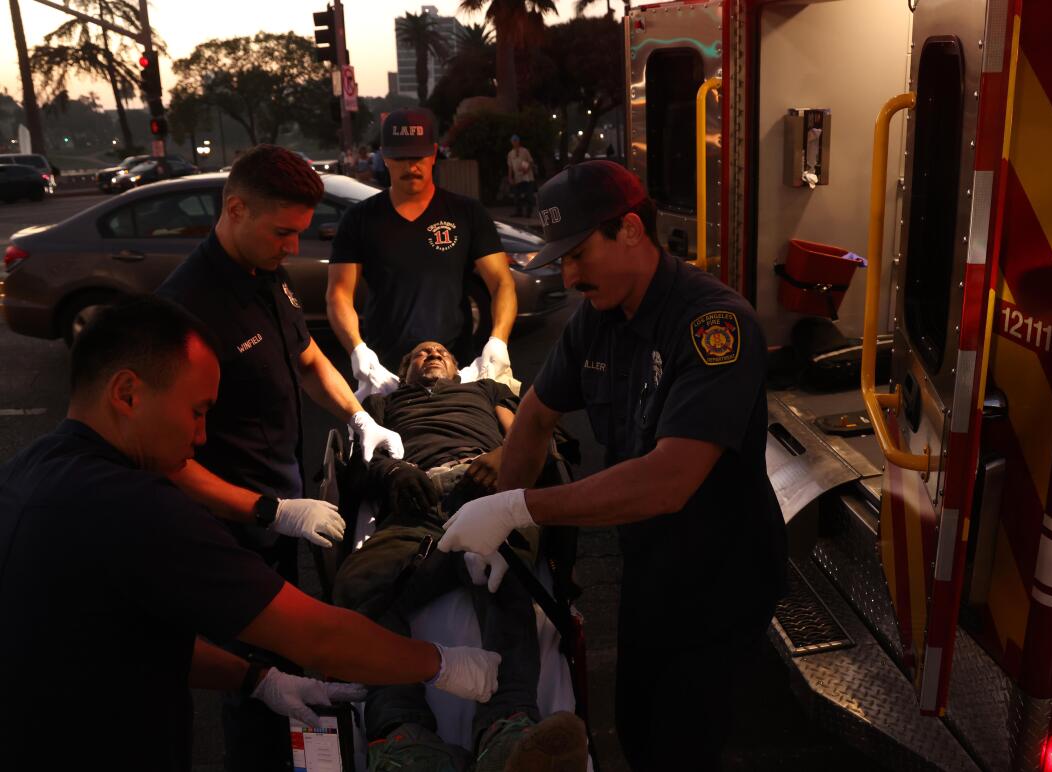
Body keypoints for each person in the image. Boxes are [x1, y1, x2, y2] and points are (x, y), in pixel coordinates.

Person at [0, 297, 501, 771]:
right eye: (197, 412)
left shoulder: (25, 472)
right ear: (127, 394)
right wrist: (444, 664)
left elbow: (123, 638)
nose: (200, 437)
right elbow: (318, 638)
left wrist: (255, 677)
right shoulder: (137, 508)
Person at [437, 161, 788, 771]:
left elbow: (669, 481)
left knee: (681, 744)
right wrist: (508, 537)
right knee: (633, 724)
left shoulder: (711, 324)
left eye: (577, 256)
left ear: (629, 230)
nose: (569, 276)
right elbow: (536, 417)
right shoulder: (595, 323)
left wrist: (516, 507)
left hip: (720, 574)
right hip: (650, 561)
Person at [156, 144, 405, 770]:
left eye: (301, 233)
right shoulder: (185, 309)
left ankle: (305, 760)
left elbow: (308, 357)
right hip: (228, 531)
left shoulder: (264, 272)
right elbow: (166, 460)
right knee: (258, 684)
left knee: (291, 666)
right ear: (235, 209)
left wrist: (357, 415)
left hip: (279, 516)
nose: (294, 247)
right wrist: (268, 510)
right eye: (284, 232)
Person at [331, 340, 587, 771]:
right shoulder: (383, 404)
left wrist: (504, 458)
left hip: (487, 490)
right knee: (361, 587)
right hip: (417, 499)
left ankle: (508, 729)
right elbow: (361, 460)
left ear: (456, 367)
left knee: (507, 578)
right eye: (418, 352)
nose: (430, 353)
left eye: (440, 352)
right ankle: (402, 735)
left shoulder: (485, 390)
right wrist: (395, 473)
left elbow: (532, 434)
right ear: (403, 368)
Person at [325, 107, 517, 400]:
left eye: (418, 157)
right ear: (385, 156)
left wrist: (498, 340)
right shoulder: (360, 219)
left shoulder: (467, 213)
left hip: (456, 364)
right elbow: (338, 293)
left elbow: (501, 282)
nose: (410, 166)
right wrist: (358, 350)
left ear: (434, 154)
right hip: (385, 369)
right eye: (400, 158)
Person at [507, 134, 536, 218]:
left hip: (527, 177)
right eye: (513, 141)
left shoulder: (525, 151)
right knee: (517, 195)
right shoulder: (510, 153)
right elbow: (510, 166)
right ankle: (518, 211)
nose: (515, 143)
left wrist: (526, 169)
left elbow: (530, 161)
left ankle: (528, 212)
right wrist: (510, 177)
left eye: (516, 141)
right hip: (517, 177)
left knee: (528, 195)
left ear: (518, 141)